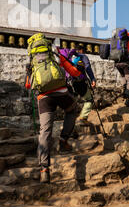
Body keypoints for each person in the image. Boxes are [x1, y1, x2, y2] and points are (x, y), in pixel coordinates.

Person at [25, 34, 82, 184]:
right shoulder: (55, 52)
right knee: (72, 109)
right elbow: (74, 72)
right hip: (61, 92)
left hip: (44, 98)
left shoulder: (32, 60)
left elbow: (28, 85)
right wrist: (79, 70)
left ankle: (44, 169)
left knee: (45, 131)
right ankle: (63, 141)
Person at [72, 43, 96, 125]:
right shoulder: (83, 57)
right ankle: (83, 118)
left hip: (72, 83)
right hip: (81, 82)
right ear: (82, 50)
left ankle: (71, 123)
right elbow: (88, 68)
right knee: (89, 99)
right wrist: (93, 79)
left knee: (72, 103)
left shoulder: (73, 59)